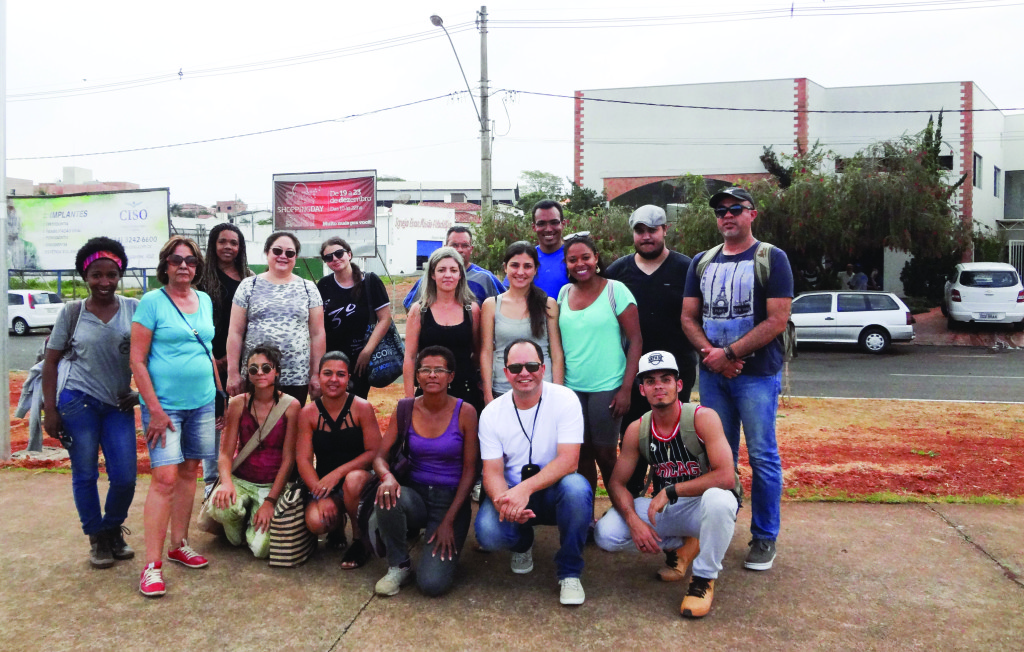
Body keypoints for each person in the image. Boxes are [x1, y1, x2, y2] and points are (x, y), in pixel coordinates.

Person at [681, 186, 793, 571]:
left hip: (757, 376)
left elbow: (777, 320)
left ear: (752, 214)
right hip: (713, 375)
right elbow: (688, 318)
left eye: (735, 209)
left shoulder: (771, 258)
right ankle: (720, 525)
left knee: (762, 456)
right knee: (717, 455)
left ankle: (764, 538)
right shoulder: (702, 261)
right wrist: (712, 357)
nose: (727, 215)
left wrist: (730, 354)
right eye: (720, 211)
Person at [595, 351, 739, 619]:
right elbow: (616, 483)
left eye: (666, 379)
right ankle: (681, 546)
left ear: (679, 385)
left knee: (719, 501)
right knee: (606, 533)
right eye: (650, 381)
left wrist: (671, 490)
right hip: (668, 508)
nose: (658, 386)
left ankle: (703, 579)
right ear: (642, 390)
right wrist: (632, 520)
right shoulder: (637, 429)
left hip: (703, 507)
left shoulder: (702, 418)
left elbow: (726, 477)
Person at [42, 237, 139, 568]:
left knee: (125, 476)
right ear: (85, 276)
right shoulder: (72, 313)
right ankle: (96, 537)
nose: (104, 282)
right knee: (84, 474)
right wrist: (50, 411)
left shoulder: (133, 309)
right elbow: (50, 363)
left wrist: (140, 394)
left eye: (111, 274)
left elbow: (151, 356)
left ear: (120, 274)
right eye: (96, 275)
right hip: (77, 402)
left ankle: (112, 527)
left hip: (118, 404)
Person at [474, 339, 593, 606]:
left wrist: (524, 490)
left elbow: (569, 461)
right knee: (488, 532)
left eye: (531, 365)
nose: (524, 373)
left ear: (543, 368)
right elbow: (492, 472)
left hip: (553, 492)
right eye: (515, 367)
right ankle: (522, 542)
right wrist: (505, 502)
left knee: (577, 489)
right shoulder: (492, 413)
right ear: (505, 372)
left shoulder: (565, 399)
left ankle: (570, 571)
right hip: (512, 492)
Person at [131, 236, 218, 597]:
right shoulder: (152, 302)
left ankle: (179, 543)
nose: (184, 266)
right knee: (164, 478)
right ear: (165, 265)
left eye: (191, 261)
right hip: (164, 408)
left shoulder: (205, 300)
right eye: (176, 260)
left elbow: (208, 349)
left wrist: (220, 395)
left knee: (189, 472)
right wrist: (153, 409)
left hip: (203, 402)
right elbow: (137, 358)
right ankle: (151, 565)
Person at [605, 205, 698, 493]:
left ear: (665, 230)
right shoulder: (617, 272)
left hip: (676, 370)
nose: (646, 236)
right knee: (633, 436)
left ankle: (670, 499)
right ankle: (631, 501)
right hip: (631, 373)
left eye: (653, 230)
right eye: (640, 230)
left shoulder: (688, 268)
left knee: (672, 438)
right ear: (632, 232)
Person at [372, 346, 479, 597]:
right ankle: (399, 564)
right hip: (415, 495)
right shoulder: (405, 408)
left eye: (439, 370)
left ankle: (442, 553)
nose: (432, 375)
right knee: (386, 494)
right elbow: (379, 456)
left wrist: (449, 521)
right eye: (426, 370)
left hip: (450, 500)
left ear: (450, 376)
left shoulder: (466, 412)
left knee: (432, 585)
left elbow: (471, 470)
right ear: (417, 376)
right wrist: (387, 477)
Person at [557, 233, 642, 510]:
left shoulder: (616, 290)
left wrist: (626, 389)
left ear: (596, 259)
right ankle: (586, 517)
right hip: (572, 389)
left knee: (606, 454)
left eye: (585, 257)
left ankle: (622, 513)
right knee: (580, 456)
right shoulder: (563, 294)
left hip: (608, 387)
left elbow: (636, 341)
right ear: (566, 264)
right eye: (573, 259)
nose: (580, 263)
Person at [206, 345, 300, 558]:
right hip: (241, 479)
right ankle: (240, 520)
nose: (259, 373)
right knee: (221, 507)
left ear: (276, 371)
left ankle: (253, 516)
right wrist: (227, 483)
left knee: (261, 550)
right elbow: (225, 453)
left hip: (270, 484)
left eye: (266, 368)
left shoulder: (291, 406)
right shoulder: (238, 403)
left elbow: (288, 460)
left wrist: (270, 502)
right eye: (253, 369)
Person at [296, 351, 381, 569]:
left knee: (352, 480)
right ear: (318, 376)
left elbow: (374, 452)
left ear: (349, 378)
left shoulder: (362, 407)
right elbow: (303, 459)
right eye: (328, 373)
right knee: (316, 522)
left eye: (340, 374)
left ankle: (360, 539)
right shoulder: (308, 413)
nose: (334, 379)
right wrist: (318, 493)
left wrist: (338, 473)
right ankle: (336, 526)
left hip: (359, 481)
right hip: (327, 486)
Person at [226, 231, 326, 405]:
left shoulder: (308, 288)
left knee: (291, 429)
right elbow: (235, 332)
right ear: (267, 252)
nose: (283, 256)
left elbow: (318, 334)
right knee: (256, 429)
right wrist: (233, 373)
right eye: (277, 251)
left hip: (296, 377)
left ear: (295, 257)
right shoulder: (249, 286)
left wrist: (316, 374)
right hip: (257, 374)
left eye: (289, 253)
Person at [199, 223, 254, 495]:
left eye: (234, 242)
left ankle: (242, 478)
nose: (228, 247)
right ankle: (212, 481)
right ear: (213, 244)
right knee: (216, 421)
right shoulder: (201, 280)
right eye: (223, 241)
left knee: (243, 420)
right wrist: (214, 358)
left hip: (244, 364)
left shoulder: (250, 278)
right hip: (208, 362)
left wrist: (238, 361)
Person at [480, 241, 564, 404]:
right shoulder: (491, 305)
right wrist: (487, 393)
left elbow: (556, 353)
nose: (520, 272)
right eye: (514, 265)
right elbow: (486, 352)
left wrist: (558, 392)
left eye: (527, 266)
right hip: (503, 389)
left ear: (535, 269)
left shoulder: (548, 304)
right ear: (505, 268)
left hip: (543, 390)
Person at [403, 247, 483, 413]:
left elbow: (477, 353)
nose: (448, 275)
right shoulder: (419, 311)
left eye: (453, 270)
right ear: (432, 274)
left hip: (466, 392)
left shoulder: (472, 310)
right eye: (441, 270)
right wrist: (409, 398)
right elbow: (410, 357)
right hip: (428, 391)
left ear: (460, 274)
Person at [317, 237, 393, 399]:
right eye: (329, 257)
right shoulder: (323, 285)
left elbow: (385, 319)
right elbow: (319, 327)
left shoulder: (370, 281)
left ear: (349, 254)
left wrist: (367, 351)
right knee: (331, 403)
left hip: (360, 359)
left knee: (355, 404)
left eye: (339, 254)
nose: (335, 259)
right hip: (332, 358)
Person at [403, 226, 505, 310]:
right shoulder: (431, 278)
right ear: (445, 246)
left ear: (471, 249)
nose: (459, 250)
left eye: (464, 245)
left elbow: (508, 304)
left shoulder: (485, 278)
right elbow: (409, 306)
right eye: (454, 245)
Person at [530, 199, 571, 299]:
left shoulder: (575, 257)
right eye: (541, 224)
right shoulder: (526, 259)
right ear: (534, 227)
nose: (548, 229)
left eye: (554, 222)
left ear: (563, 224)